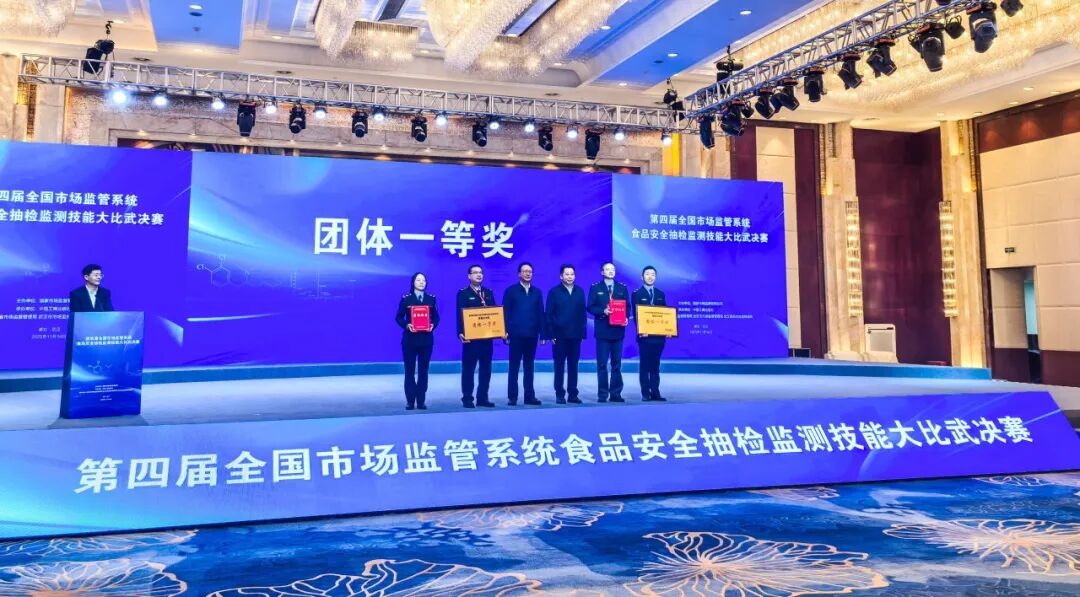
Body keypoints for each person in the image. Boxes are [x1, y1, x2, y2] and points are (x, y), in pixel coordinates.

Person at [503, 262, 546, 406]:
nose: (528, 273)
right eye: (525, 271)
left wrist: (543, 334)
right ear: (519, 274)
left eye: (530, 271)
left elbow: (540, 313)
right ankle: (512, 397)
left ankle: (529, 396)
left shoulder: (537, 292)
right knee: (514, 366)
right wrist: (505, 332)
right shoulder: (511, 291)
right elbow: (505, 313)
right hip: (515, 335)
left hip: (532, 335)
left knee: (529, 366)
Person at [395, 272, 440, 411]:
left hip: (426, 341)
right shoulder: (406, 299)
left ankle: (421, 400)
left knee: (423, 371)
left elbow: (436, 318)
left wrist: (433, 325)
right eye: (418, 280)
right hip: (410, 340)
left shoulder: (431, 299)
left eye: (424, 280)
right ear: (413, 282)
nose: (421, 282)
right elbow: (398, 317)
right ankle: (410, 401)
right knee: (409, 371)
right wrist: (406, 325)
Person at [587, 261, 629, 403]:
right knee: (602, 365)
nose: (611, 271)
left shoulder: (622, 288)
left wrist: (626, 318)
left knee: (616, 364)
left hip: (618, 331)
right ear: (602, 272)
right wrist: (603, 311)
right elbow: (590, 307)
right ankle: (603, 394)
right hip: (603, 332)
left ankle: (616, 393)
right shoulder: (595, 288)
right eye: (607, 269)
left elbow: (627, 307)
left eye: (613, 269)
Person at [456, 264, 497, 409]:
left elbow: (495, 314)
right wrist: (460, 332)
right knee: (469, 369)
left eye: (481, 272)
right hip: (471, 339)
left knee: (486, 369)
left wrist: (499, 331)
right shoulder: (463, 293)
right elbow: (460, 314)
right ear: (469, 276)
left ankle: (482, 397)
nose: (479, 275)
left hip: (487, 338)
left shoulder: (488, 292)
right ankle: (467, 398)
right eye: (475, 273)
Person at [546, 263, 586, 404]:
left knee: (573, 366)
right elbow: (549, 314)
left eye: (572, 274)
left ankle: (573, 394)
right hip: (559, 336)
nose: (570, 277)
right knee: (559, 366)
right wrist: (551, 334)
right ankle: (559, 394)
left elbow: (582, 314)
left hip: (575, 336)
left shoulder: (580, 291)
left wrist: (582, 333)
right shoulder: (554, 292)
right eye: (567, 274)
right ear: (561, 276)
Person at [632, 265, 668, 402]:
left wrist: (668, 330)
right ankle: (645, 393)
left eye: (653, 274)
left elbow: (665, 315)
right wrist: (641, 331)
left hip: (659, 337)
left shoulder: (660, 294)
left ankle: (655, 392)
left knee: (655, 365)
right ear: (642, 277)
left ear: (656, 277)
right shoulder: (637, 294)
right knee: (645, 365)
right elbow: (636, 316)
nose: (650, 276)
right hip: (645, 336)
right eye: (647, 274)